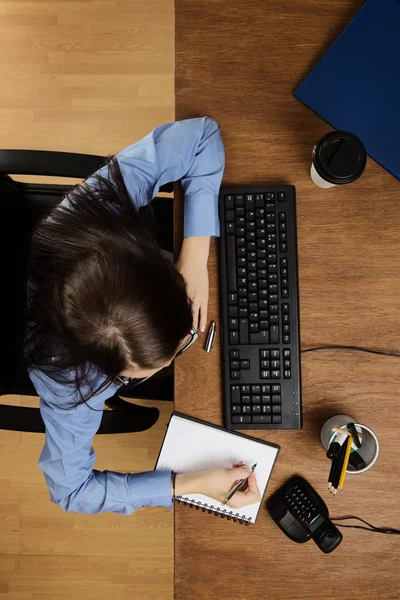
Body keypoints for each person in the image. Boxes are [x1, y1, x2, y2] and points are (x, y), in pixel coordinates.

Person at [25, 117, 261, 515]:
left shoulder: (93, 208)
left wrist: (195, 256)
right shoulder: (67, 387)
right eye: (153, 365)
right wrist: (192, 483)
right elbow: (70, 493)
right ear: (110, 374)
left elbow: (202, 135)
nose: (185, 343)